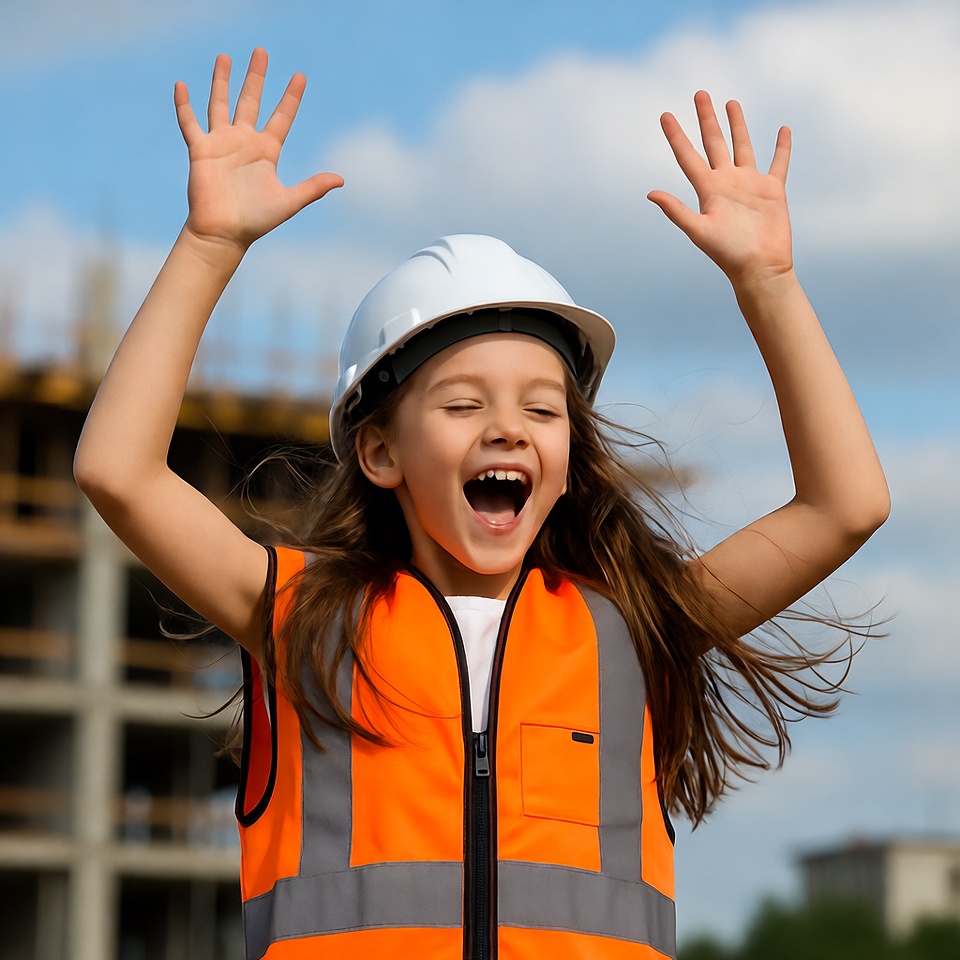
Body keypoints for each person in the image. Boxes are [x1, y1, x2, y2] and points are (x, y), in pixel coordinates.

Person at [74, 48, 889, 960]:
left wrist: (768, 284)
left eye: (542, 410)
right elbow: (119, 472)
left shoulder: (633, 627)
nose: (508, 428)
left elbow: (845, 504)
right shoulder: (302, 615)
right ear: (379, 452)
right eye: (463, 406)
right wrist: (209, 247)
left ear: (569, 461)